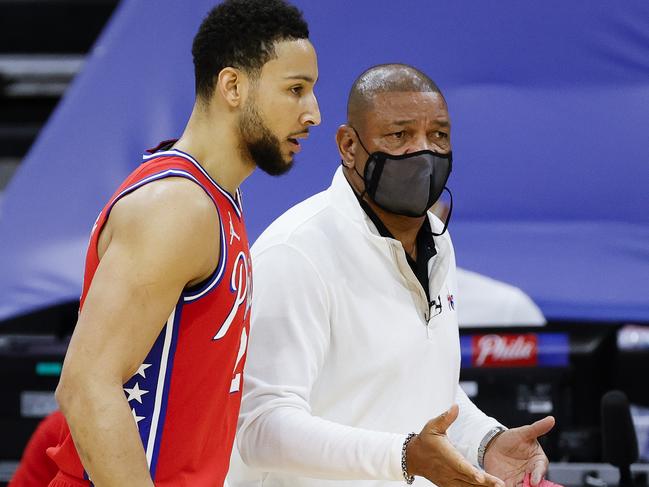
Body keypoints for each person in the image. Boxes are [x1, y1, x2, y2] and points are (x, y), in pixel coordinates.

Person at [227, 64, 553, 487]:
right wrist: (403, 455)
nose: (423, 153)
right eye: (399, 136)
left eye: (438, 136)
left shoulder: (438, 240)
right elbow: (261, 429)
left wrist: (486, 443)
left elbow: (421, 387)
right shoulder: (295, 252)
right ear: (348, 145)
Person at [47, 1, 320, 485]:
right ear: (233, 86)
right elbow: (86, 387)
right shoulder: (177, 207)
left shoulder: (215, 199)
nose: (313, 113)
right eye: (295, 90)